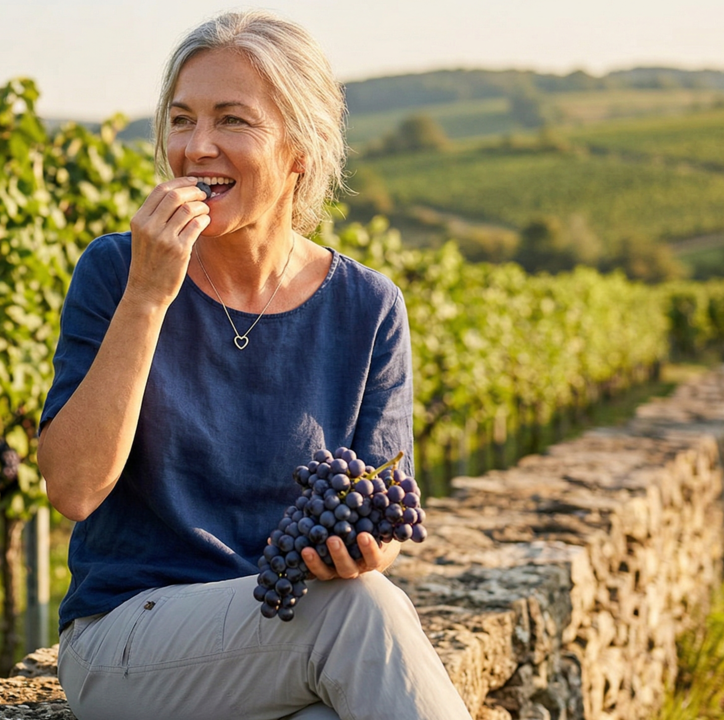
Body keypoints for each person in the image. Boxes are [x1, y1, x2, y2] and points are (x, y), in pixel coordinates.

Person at [35, 9, 473, 720]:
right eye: (181, 120)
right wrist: (148, 297)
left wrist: (362, 551)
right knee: (357, 613)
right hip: (128, 642)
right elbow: (74, 488)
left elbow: (388, 512)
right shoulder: (117, 271)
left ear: (300, 147)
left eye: (232, 121)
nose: (197, 147)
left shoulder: (368, 308)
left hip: (281, 628)